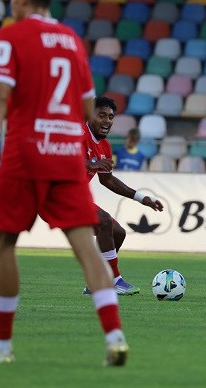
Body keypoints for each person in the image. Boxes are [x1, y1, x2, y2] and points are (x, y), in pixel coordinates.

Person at [0, 0, 128, 366]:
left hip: (24, 154)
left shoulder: (12, 35)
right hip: (66, 157)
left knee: (2, 244)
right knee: (86, 246)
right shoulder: (72, 40)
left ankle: (0, 346)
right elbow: (87, 108)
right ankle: (115, 337)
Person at [83, 98, 164, 296]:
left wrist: (142, 198)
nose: (107, 121)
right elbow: (60, 158)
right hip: (56, 195)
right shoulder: (77, 133)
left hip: (76, 197)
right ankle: (113, 280)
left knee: (118, 232)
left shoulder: (105, 146)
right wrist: (89, 164)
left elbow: (108, 180)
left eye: (111, 117)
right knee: (104, 221)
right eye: (101, 115)